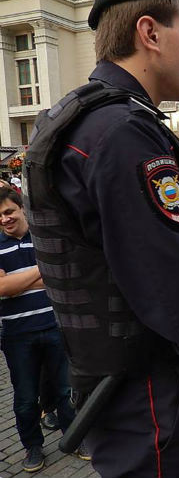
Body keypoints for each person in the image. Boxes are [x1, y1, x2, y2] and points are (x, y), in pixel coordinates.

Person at [24, 0, 179, 476]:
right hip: (148, 393)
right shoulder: (121, 132)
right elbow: (168, 271)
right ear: (149, 33)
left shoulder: (92, 119)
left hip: (138, 384)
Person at [0, 188, 86, 472]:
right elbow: (3, 288)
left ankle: (73, 438)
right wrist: (44, 269)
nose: (4, 219)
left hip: (54, 326)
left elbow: (64, 276)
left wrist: (18, 282)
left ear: (22, 209)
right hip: (17, 335)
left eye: (9, 211)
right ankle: (32, 447)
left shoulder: (42, 237)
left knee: (65, 390)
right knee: (25, 398)